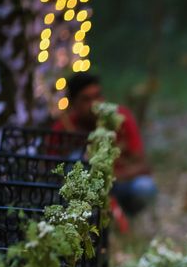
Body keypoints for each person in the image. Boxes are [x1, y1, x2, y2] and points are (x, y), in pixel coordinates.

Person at [53, 73, 157, 216]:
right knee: (76, 160)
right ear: (72, 103)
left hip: (119, 184)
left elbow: (143, 166)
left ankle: (127, 217)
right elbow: (50, 169)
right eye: (86, 99)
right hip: (84, 192)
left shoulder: (121, 119)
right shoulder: (64, 128)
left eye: (97, 96)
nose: (94, 104)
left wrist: (112, 176)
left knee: (145, 187)